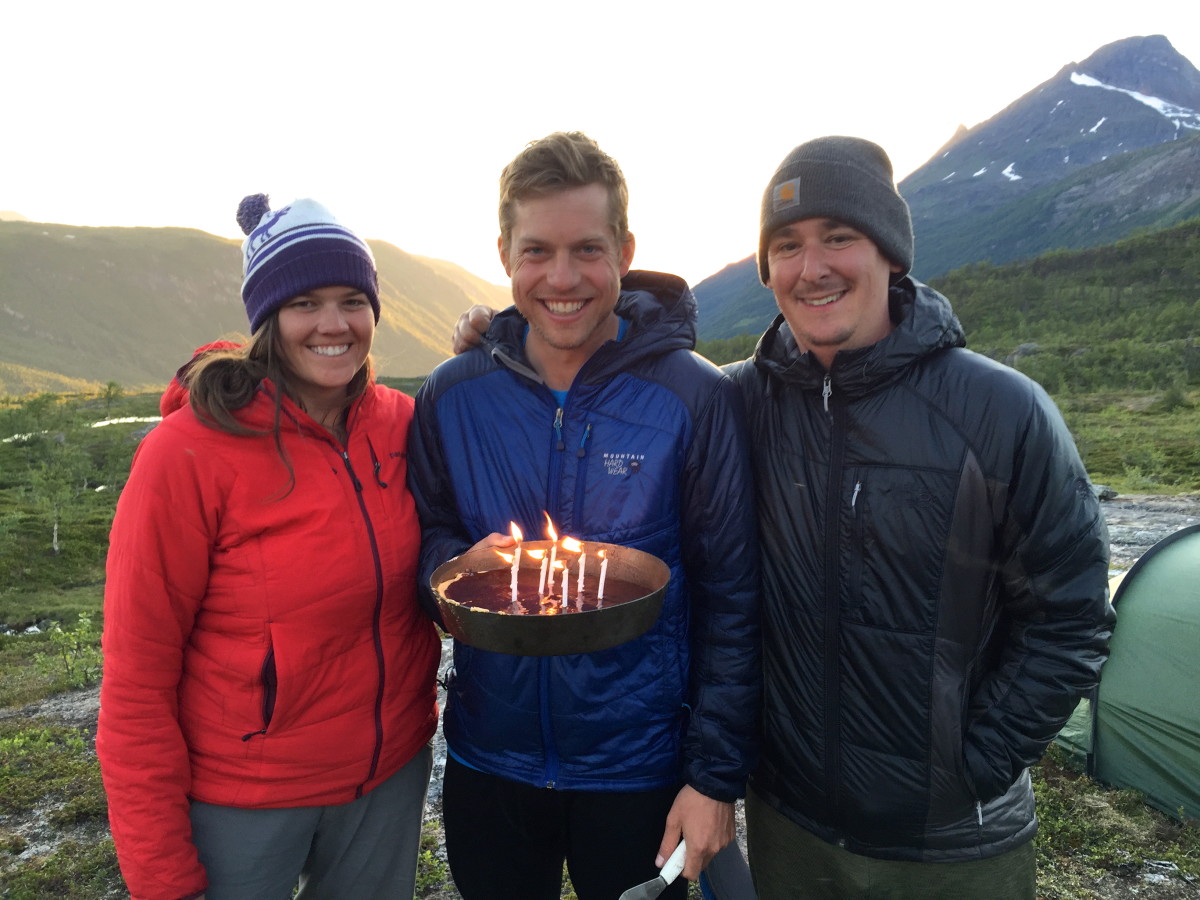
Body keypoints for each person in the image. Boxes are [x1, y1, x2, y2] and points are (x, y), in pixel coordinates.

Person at [451, 135, 1115, 899]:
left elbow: (1071, 617)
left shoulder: (1001, 412)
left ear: (891, 252)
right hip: (792, 824)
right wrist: (495, 338)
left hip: (955, 839)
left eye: (840, 238)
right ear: (767, 267)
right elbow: (614, 363)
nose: (813, 266)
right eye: (788, 245)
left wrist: (975, 764)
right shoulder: (736, 401)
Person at [407, 131, 760, 900]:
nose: (561, 278)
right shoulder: (453, 395)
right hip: (488, 760)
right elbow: (426, 532)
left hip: (642, 766)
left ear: (625, 250)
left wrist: (712, 779)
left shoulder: (693, 398)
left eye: (587, 250)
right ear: (503, 253)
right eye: (536, 251)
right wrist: (460, 566)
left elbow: (734, 598)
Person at [97, 195, 441, 900]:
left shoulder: (404, 425)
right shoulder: (186, 455)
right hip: (244, 796)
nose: (334, 324)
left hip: (388, 776)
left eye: (353, 299)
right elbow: (137, 680)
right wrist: (162, 876)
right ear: (266, 319)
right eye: (304, 302)